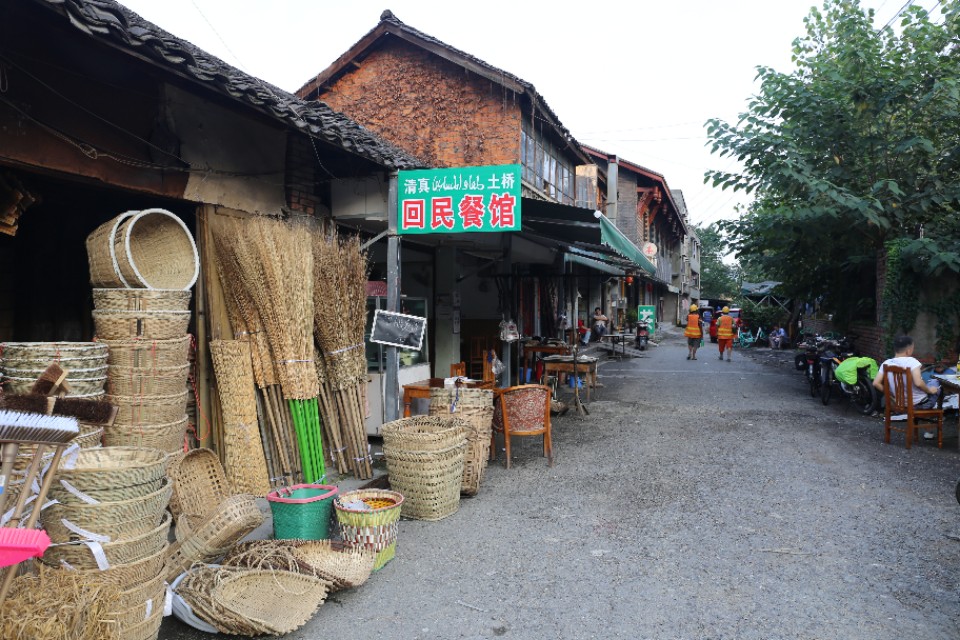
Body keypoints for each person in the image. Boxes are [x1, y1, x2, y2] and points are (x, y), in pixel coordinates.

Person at [872, 336, 942, 436]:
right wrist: (930, 391)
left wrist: (891, 396)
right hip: (918, 404)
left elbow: (876, 383)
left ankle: (928, 428)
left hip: (899, 403)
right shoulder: (912, 362)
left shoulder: (886, 363)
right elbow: (918, 382)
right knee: (936, 383)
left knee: (929, 386)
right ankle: (930, 426)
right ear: (909, 350)